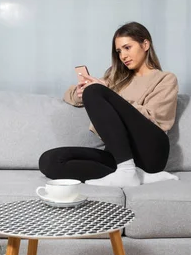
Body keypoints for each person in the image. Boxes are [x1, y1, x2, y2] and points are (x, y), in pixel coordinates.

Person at [38, 22, 179, 187]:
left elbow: (152, 117)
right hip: (119, 156)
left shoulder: (165, 79)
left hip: (151, 150)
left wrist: (107, 94)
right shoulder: (117, 78)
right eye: (119, 51)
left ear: (145, 44)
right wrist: (79, 92)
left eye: (128, 47)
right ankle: (136, 175)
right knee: (49, 161)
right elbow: (69, 95)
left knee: (94, 90)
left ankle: (127, 171)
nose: (123, 56)